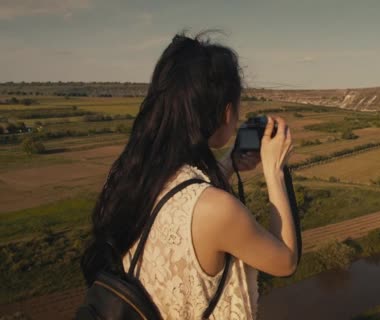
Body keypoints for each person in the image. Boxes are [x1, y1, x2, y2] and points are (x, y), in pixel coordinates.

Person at [80, 32, 298, 319]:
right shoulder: (218, 211)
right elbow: (285, 261)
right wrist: (275, 172)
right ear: (226, 111)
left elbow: (181, 197)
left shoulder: (132, 175)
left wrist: (229, 164)